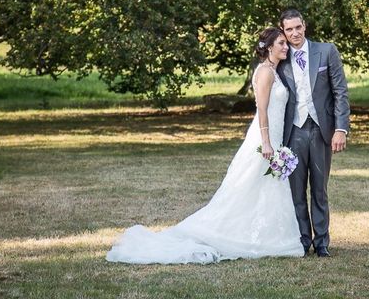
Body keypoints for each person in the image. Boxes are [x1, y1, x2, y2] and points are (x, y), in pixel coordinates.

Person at [106, 27, 304, 264]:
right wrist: (267, 143)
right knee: (244, 188)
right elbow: (262, 110)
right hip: (264, 138)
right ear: (269, 47)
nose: (285, 46)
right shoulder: (265, 73)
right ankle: (228, 233)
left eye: (285, 43)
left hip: (274, 137)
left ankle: (268, 236)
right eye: (281, 43)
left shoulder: (274, 70)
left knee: (263, 188)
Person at [277, 9, 350, 258]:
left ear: (304, 26)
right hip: (293, 132)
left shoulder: (326, 51)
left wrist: (340, 128)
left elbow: (340, 92)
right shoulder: (281, 57)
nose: (294, 33)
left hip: (321, 130)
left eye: (298, 27)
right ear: (283, 32)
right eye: (289, 30)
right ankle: (302, 241)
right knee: (296, 191)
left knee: (319, 189)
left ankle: (322, 243)